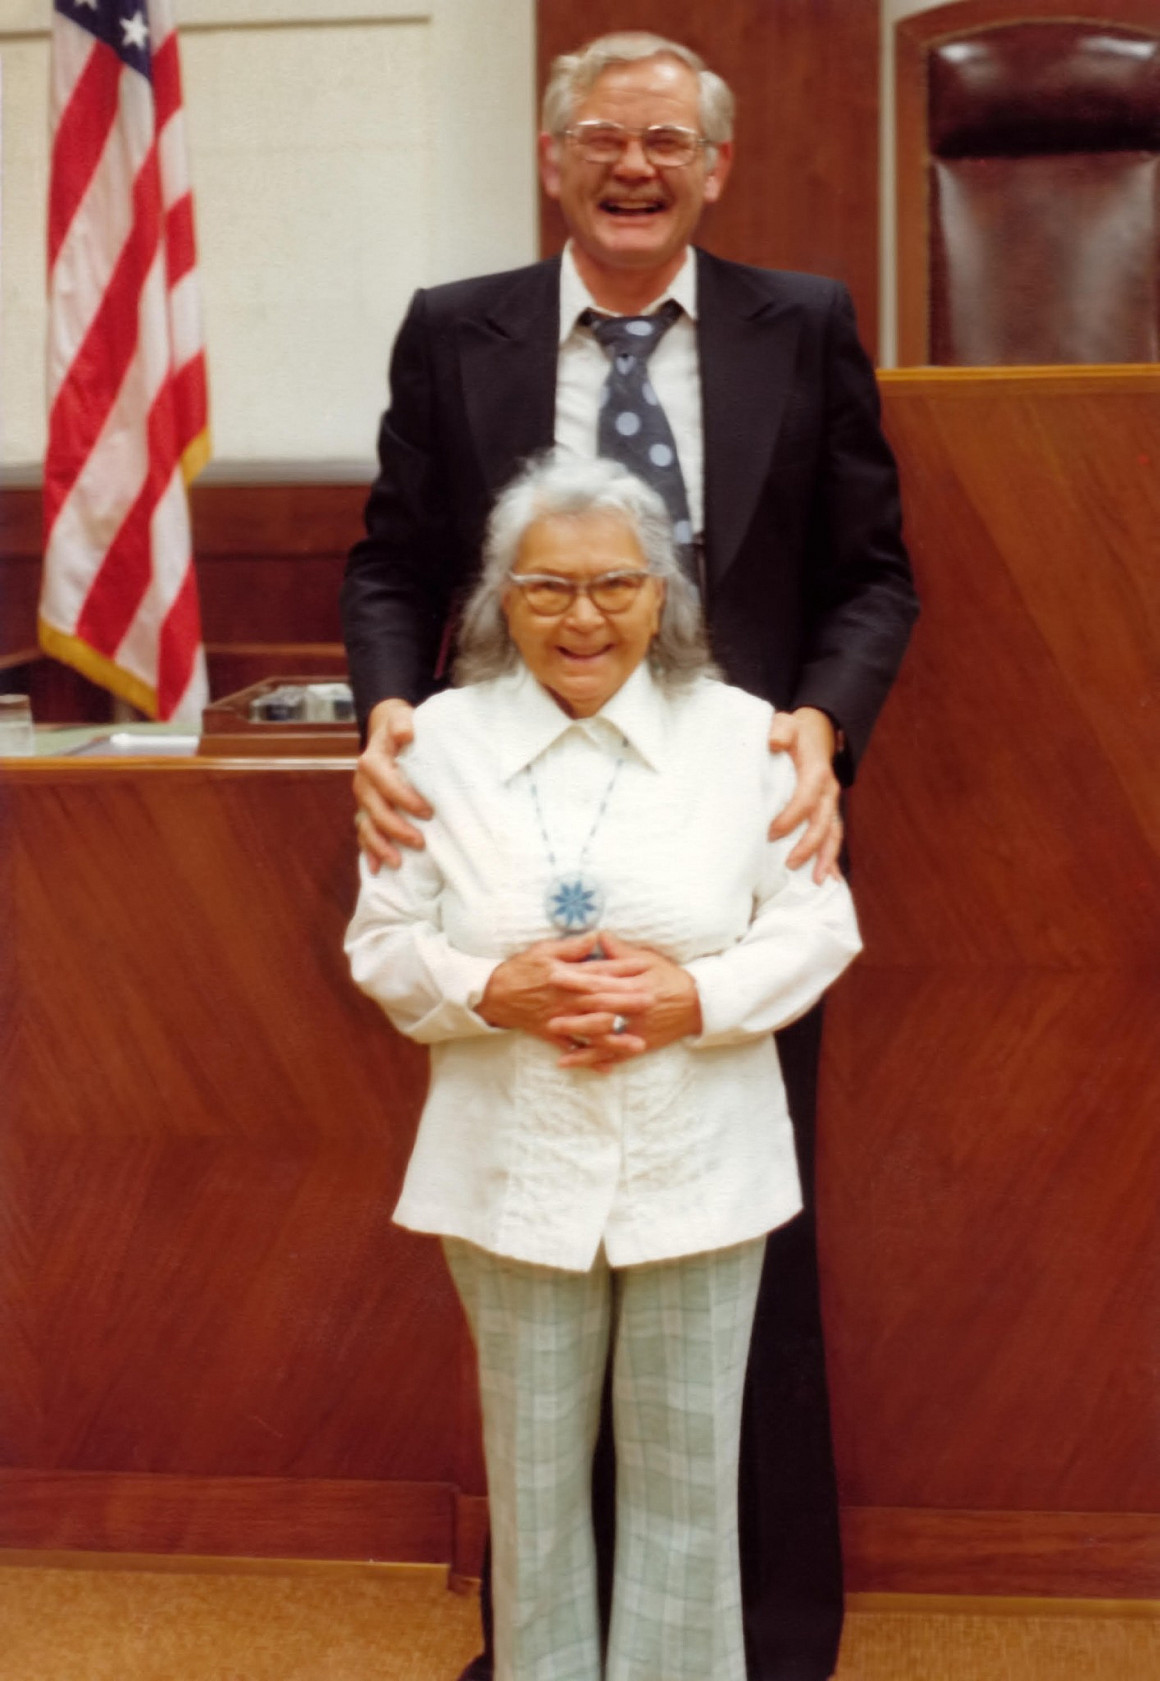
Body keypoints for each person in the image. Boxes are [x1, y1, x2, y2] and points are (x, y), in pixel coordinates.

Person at [341, 31, 918, 1681]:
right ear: (554, 158)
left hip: (735, 820)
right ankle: (548, 1643)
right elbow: (391, 564)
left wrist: (817, 732)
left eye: (669, 139)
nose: (635, 164)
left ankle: (747, 1634)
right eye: (602, 135)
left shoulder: (801, 321)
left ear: (715, 167)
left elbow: (873, 573)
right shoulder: (457, 329)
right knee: (537, 1246)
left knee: (731, 1233)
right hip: (502, 808)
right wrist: (386, 719)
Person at [345, 454, 863, 1681]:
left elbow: (817, 926)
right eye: (546, 588)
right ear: (499, 599)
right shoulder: (432, 744)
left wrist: (698, 998)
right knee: (531, 1484)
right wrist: (492, 991)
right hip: (512, 1162)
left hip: (700, 1162)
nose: (581, 616)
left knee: (689, 1481)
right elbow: (380, 942)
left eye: (614, 585)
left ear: (661, 594)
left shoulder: (747, 736)